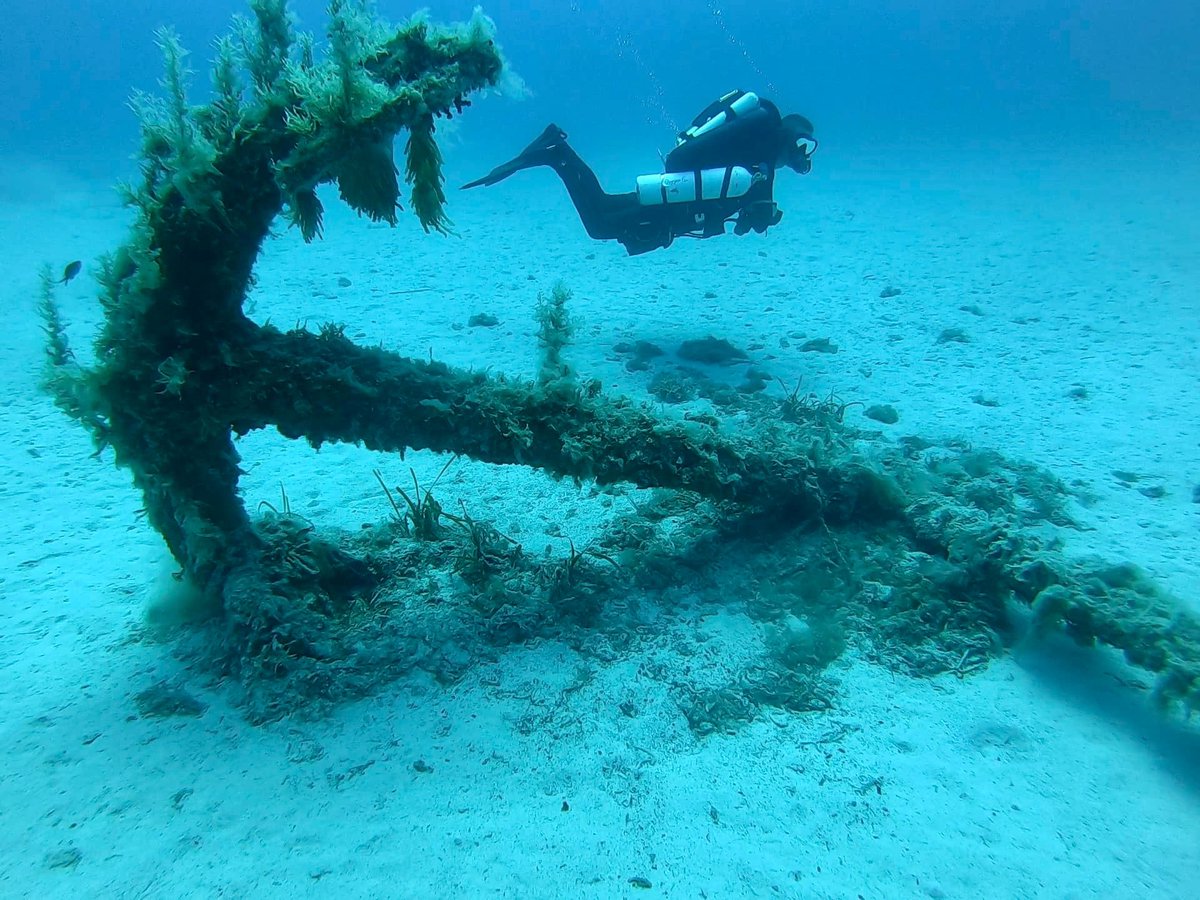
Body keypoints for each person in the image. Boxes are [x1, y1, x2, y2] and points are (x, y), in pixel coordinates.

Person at [461, 89, 817, 256]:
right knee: (600, 224)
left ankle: (557, 152)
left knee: (603, 208)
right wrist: (758, 213)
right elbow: (750, 209)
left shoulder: (759, 156)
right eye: (802, 148)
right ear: (789, 139)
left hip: (676, 196)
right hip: (675, 203)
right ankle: (558, 153)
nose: (801, 158)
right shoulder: (762, 157)